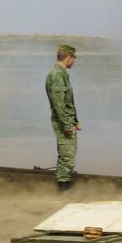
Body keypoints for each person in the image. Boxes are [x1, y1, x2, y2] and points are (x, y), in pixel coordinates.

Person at [45, 44, 81, 191]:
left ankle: (63, 187)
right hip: (62, 121)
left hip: (67, 120)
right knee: (67, 157)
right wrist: (66, 124)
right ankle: (63, 191)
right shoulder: (57, 75)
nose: (74, 62)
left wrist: (75, 121)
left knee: (66, 155)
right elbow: (59, 104)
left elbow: (68, 102)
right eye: (73, 59)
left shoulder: (62, 74)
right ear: (68, 58)